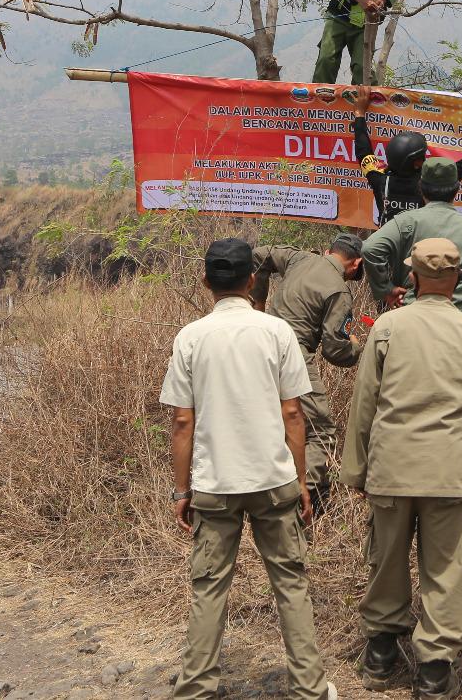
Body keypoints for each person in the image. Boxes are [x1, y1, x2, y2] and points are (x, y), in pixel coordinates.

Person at [159, 239, 336, 700]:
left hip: (215, 486)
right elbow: (294, 414)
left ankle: (195, 688)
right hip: (274, 481)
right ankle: (310, 689)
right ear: (251, 281)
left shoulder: (191, 338)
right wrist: (301, 482)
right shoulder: (275, 333)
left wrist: (182, 490)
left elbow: (182, 421)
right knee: (291, 584)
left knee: (209, 588)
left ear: (205, 283)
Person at [341, 238, 462, 700]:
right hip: (446, 473)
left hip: (391, 469)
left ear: (412, 278)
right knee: (447, 569)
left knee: (386, 558)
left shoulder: (387, 328)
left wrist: (355, 471)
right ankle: (434, 672)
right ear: (457, 280)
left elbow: (364, 406)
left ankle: (380, 653)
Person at [361, 159, 462, 474]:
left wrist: (385, 289)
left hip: (416, 321)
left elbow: (370, 249)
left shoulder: (407, 223)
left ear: (422, 189)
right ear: (456, 190)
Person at [252, 234, 367, 518]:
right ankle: (301, 502)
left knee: (277, 425)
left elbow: (258, 255)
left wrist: (257, 307)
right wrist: (354, 345)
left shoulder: (299, 257)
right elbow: (334, 350)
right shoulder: (339, 291)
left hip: (258, 350)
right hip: (294, 357)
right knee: (319, 431)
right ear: (356, 264)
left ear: (328, 251)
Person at [352, 89, 462, 223]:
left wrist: (359, 113)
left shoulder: (379, 179)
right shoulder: (430, 183)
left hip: (388, 251)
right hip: (419, 253)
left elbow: (363, 152)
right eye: (423, 156)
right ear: (416, 163)